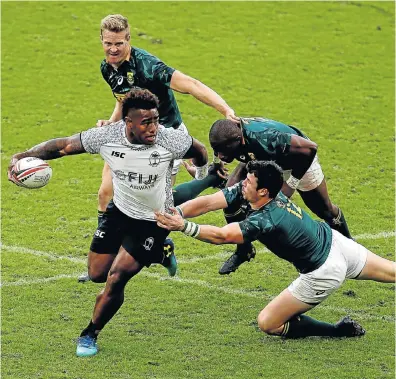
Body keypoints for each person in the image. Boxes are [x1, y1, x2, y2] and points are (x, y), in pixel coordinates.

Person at [8, 89, 209, 357]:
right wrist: (22, 157)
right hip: (119, 213)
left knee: (116, 278)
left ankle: (90, 333)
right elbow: (64, 146)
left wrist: (201, 173)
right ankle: (162, 253)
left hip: (154, 221)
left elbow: (200, 150)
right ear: (128, 123)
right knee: (97, 275)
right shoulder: (108, 137)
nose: (154, 128)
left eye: (156, 120)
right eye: (146, 122)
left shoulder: (170, 139)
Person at [155, 160, 395, 339]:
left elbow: (222, 236)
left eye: (248, 182)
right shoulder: (263, 192)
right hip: (337, 243)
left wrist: (184, 226)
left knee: (268, 323)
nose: (243, 184)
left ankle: (336, 331)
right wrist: (180, 212)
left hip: (323, 271)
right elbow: (209, 202)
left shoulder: (265, 219)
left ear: (263, 192)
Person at [96, 13, 238, 226]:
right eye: (108, 43)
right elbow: (122, 98)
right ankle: (104, 242)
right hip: (132, 133)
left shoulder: (148, 66)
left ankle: (209, 178)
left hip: (165, 134)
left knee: (159, 208)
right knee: (105, 193)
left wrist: (225, 110)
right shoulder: (107, 67)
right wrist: (111, 121)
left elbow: (191, 85)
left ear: (128, 39)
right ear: (101, 40)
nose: (113, 49)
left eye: (119, 43)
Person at [208, 117, 352, 275]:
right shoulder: (232, 132)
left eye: (223, 151)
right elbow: (222, 147)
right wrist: (216, 162)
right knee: (230, 197)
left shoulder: (266, 138)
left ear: (238, 139)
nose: (220, 155)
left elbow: (310, 148)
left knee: (325, 210)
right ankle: (244, 250)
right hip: (262, 158)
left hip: (296, 159)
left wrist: (291, 183)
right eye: (216, 150)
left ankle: (351, 252)